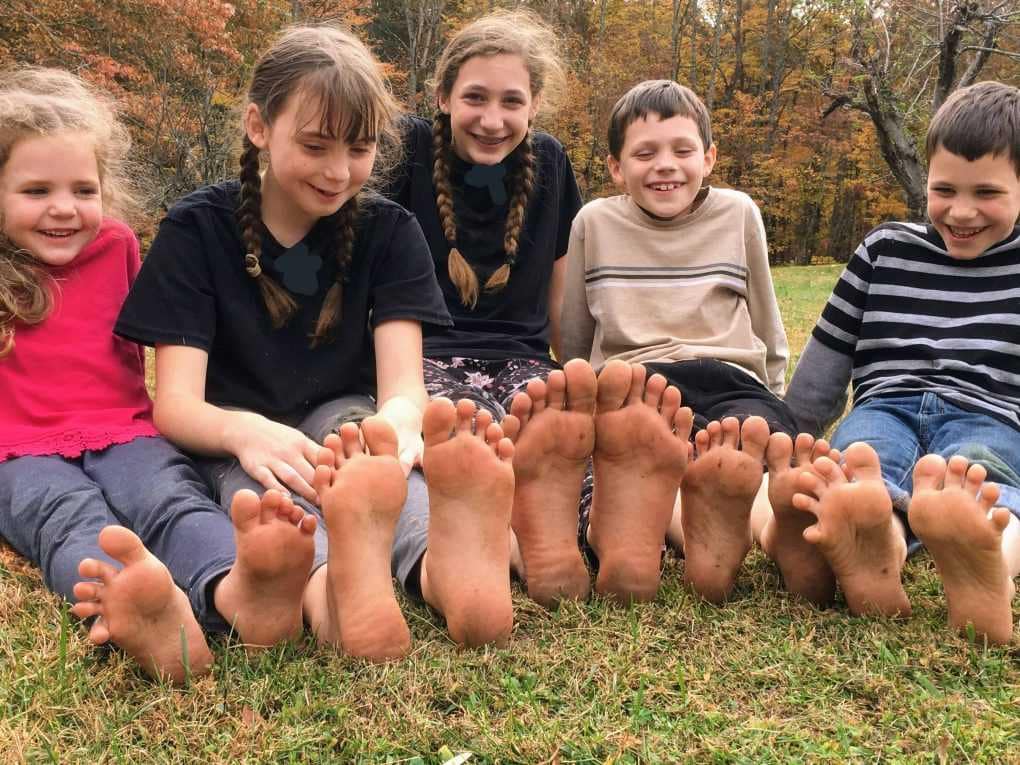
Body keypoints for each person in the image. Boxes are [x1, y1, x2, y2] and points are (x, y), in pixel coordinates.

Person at [114, 24, 485, 659]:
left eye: (360, 148)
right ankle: (330, 598)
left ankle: (442, 571)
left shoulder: (392, 231)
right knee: (267, 501)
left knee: (373, 468)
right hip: (234, 429)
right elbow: (175, 404)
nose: (339, 172)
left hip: (343, 415)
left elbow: (403, 388)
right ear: (259, 126)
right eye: (315, 145)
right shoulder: (196, 230)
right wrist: (242, 431)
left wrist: (395, 432)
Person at [0, 67, 318, 684]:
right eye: (36, 191)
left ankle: (234, 590)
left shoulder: (117, 245)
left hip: (123, 429)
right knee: (68, 517)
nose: (64, 208)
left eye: (83, 190)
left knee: (169, 497)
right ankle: (136, 605)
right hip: (19, 451)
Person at [775, 81, 1020, 645]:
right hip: (885, 406)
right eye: (944, 190)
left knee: (987, 486)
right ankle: (878, 545)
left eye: (986, 192)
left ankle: (990, 562)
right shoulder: (885, 250)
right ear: (924, 178)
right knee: (864, 471)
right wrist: (791, 442)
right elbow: (827, 360)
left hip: (988, 415)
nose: (961, 211)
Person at [560, 80, 802, 604]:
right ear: (616, 168)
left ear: (709, 158)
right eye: (645, 153)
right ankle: (691, 539)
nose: (664, 165)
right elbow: (576, 332)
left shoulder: (738, 213)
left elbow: (766, 318)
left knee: (750, 457)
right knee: (648, 466)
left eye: (682, 150)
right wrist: (581, 402)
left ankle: (773, 534)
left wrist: (774, 393)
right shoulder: (593, 223)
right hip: (636, 386)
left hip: (730, 378)